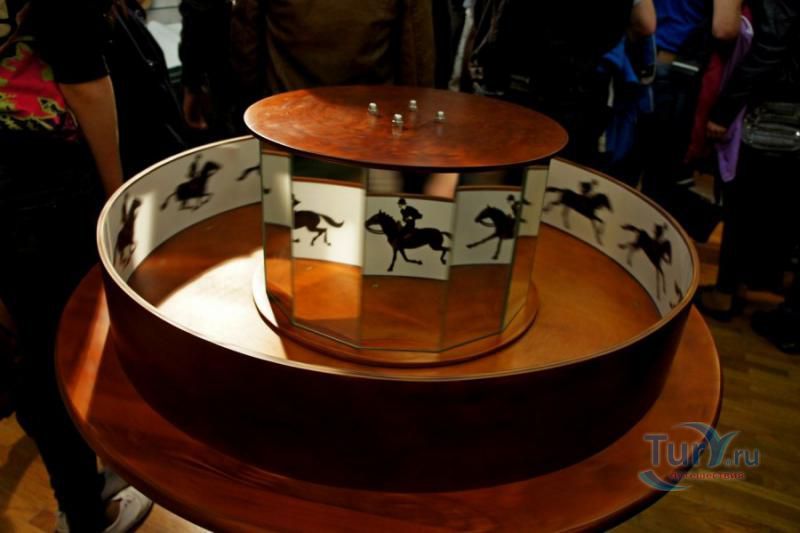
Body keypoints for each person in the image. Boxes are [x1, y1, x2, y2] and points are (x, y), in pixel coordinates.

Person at [0, 0, 152, 530]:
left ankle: (80, 497)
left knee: (25, 348)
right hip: (41, 180)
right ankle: (87, 512)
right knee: (65, 350)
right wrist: (116, 202)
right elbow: (83, 77)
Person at [696, 0, 799, 349]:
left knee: (745, 199)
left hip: (777, 106)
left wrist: (725, 108)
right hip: (787, 106)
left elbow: (770, 47)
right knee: (768, 203)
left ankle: (726, 292)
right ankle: (739, 286)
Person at [179, 0, 435, 136]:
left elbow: (246, 41)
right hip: (370, 128)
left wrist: (247, 105)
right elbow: (415, 54)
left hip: (286, 123)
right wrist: (412, 121)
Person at [638, 0, 741, 220]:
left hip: (642, 54)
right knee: (661, 177)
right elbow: (724, 29)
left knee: (630, 163)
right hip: (679, 66)